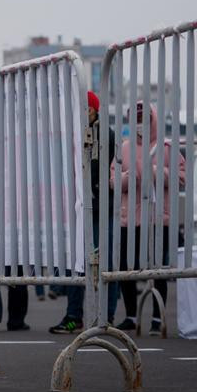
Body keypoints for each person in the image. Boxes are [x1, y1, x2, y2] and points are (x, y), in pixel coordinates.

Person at [112, 101, 185, 334]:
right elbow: (112, 180)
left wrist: (155, 173)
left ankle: (156, 317)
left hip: (156, 218)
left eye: (145, 118)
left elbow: (181, 177)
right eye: (136, 119)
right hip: (129, 218)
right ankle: (131, 315)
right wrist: (128, 178)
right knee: (125, 267)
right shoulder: (124, 148)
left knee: (158, 269)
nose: (140, 124)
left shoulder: (167, 147)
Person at [51, 91, 117, 334]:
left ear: (94, 110)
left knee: (105, 263)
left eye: (86, 109)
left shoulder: (105, 135)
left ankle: (107, 316)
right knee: (76, 263)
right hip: (79, 207)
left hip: (100, 206)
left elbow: (101, 170)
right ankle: (73, 316)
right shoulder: (71, 135)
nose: (83, 114)